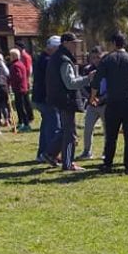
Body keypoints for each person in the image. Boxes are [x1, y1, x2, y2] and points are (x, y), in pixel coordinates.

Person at [92, 31, 128, 175]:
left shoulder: (107, 60)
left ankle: (107, 164)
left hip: (112, 102)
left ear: (113, 44)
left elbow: (96, 79)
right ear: (125, 44)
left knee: (111, 135)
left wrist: (93, 96)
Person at [44, 33, 94, 171]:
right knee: (70, 132)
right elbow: (70, 83)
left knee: (65, 130)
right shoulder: (64, 60)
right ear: (65, 43)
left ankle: (50, 154)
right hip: (65, 100)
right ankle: (68, 163)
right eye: (73, 43)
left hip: (58, 98)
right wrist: (87, 78)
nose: (75, 45)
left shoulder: (55, 57)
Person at [33, 36, 61, 162]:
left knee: (46, 127)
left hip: (40, 98)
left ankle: (42, 153)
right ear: (53, 48)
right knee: (54, 127)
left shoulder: (42, 58)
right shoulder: (47, 60)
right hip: (47, 99)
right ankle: (51, 154)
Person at [77, 46, 106, 161]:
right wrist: (89, 98)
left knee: (107, 129)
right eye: (94, 58)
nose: (96, 60)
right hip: (91, 104)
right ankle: (87, 151)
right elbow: (82, 86)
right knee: (88, 128)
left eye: (98, 57)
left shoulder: (107, 69)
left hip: (104, 103)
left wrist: (103, 98)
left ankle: (106, 152)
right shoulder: (88, 70)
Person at [8, 48, 31, 132]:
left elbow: (19, 76)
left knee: (21, 107)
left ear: (14, 56)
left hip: (19, 88)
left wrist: (10, 80)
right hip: (21, 88)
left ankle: (26, 124)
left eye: (10, 55)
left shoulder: (16, 65)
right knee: (19, 107)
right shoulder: (20, 63)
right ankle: (21, 122)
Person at [17, 41, 35, 124]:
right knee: (25, 99)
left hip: (25, 80)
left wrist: (27, 80)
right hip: (23, 80)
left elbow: (28, 69)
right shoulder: (21, 56)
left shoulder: (25, 56)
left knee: (26, 100)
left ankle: (30, 116)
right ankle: (28, 116)